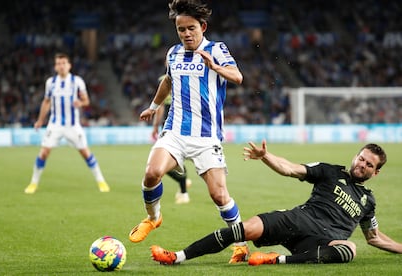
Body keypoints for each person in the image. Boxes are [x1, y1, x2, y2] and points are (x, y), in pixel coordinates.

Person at [129, 0, 248, 263]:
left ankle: (240, 245)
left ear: (202, 27)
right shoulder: (173, 53)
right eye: (181, 29)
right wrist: (153, 106)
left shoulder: (216, 49)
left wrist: (215, 67)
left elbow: (238, 76)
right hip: (175, 131)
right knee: (152, 173)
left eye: (191, 28)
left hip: (207, 137)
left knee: (219, 195)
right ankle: (153, 218)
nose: (186, 34)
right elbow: (168, 81)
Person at [150, 141, 402, 265]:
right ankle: (178, 256)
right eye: (361, 159)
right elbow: (290, 169)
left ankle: (275, 259)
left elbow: (374, 237)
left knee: (349, 249)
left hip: (322, 241)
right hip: (297, 219)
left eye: (369, 165)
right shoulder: (329, 171)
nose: (362, 165)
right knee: (244, 229)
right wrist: (266, 156)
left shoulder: (368, 201)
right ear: (355, 157)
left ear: (375, 172)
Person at [24, 53, 110, 194]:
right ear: (55, 66)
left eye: (64, 63)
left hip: (73, 125)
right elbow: (46, 102)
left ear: (69, 65)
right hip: (55, 124)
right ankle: (33, 183)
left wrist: (80, 102)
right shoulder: (50, 83)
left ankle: (101, 181)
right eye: (58, 63)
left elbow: (87, 101)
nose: (61, 66)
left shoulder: (77, 81)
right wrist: (40, 121)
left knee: (85, 153)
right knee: (44, 152)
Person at [152, 90, 192, 204]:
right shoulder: (187, 76)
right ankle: (184, 187)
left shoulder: (165, 80)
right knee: (177, 158)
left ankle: (183, 188)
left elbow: (160, 107)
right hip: (185, 125)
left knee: (162, 162)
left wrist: (155, 126)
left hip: (170, 126)